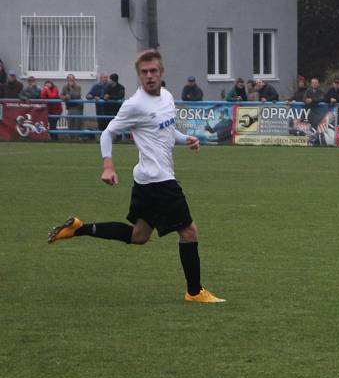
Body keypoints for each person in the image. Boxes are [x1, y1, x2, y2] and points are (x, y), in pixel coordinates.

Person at [47, 49, 224, 304]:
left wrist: (187, 139)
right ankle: (194, 292)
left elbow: (167, 130)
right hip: (159, 180)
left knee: (138, 236)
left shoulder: (167, 97)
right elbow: (107, 133)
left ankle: (78, 229)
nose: (150, 76)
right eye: (144, 72)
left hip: (146, 180)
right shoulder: (134, 105)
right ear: (139, 75)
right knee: (189, 232)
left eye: (154, 71)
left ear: (161, 72)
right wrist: (108, 165)